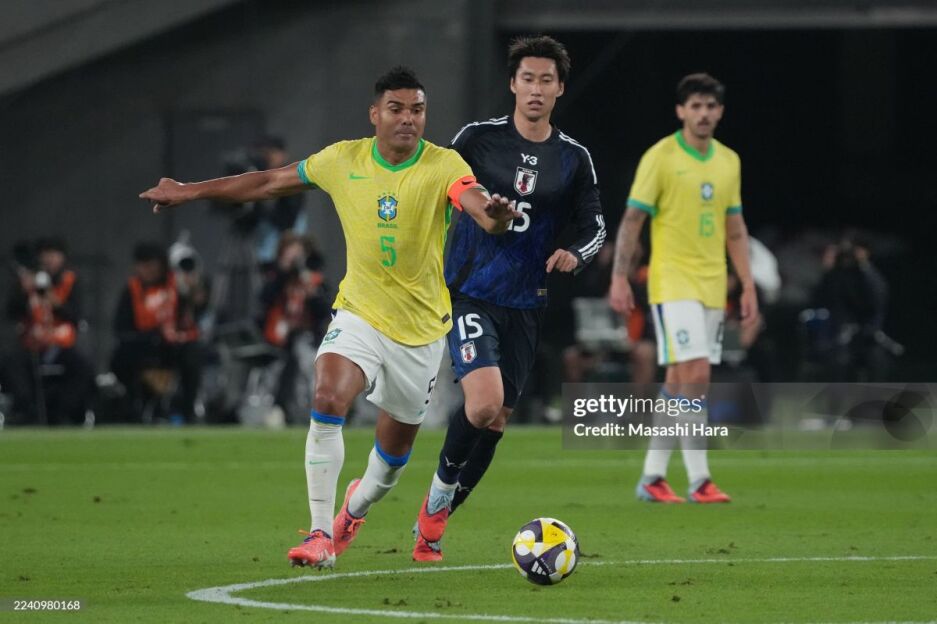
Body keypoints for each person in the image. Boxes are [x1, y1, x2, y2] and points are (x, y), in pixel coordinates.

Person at [140, 66, 521, 568]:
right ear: (374, 114)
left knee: (388, 468)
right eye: (397, 109)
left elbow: (477, 205)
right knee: (326, 396)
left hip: (421, 332)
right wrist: (189, 190)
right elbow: (269, 182)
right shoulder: (342, 159)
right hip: (360, 313)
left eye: (418, 109)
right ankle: (319, 533)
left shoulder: (443, 164)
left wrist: (495, 216)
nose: (408, 119)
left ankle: (353, 510)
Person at [411, 35, 605, 562]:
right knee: (483, 403)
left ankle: (434, 523)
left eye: (547, 80)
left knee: (496, 421)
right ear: (513, 84)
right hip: (470, 291)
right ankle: (437, 498)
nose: (536, 89)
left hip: (526, 302)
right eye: (528, 79)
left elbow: (595, 225)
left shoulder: (573, 158)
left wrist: (575, 253)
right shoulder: (477, 139)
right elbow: (434, 186)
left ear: (559, 88)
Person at [609, 73, 758, 504]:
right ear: (681, 111)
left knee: (679, 378)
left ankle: (652, 476)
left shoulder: (728, 161)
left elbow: (735, 228)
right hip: (672, 280)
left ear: (720, 111)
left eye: (710, 106)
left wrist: (747, 285)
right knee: (697, 373)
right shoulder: (661, 156)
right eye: (695, 106)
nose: (703, 113)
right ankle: (699, 479)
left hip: (713, 283)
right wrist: (619, 276)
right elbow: (633, 219)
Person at [2, 237, 95, 424]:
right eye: (45, 254)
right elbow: (11, 312)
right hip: (32, 345)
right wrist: (23, 292)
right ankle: (28, 411)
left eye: (54, 254)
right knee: (11, 364)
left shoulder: (71, 281)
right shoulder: (27, 281)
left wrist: (56, 303)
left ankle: (62, 412)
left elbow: (77, 316)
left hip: (61, 346)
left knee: (83, 369)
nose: (49, 259)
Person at [111, 242, 204, 422]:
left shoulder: (176, 284)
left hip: (171, 348)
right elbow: (120, 328)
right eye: (144, 265)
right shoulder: (132, 289)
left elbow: (194, 311)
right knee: (120, 359)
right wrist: (148, 337)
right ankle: (134, 411)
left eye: (153, 265)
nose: (149, 271)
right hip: (143, 346)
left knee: (193, 354)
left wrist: (192, 292)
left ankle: (188, 412)